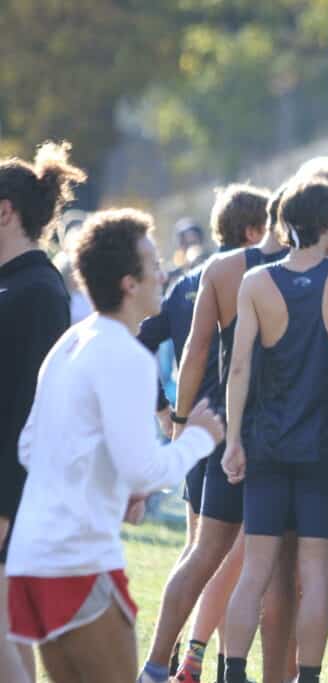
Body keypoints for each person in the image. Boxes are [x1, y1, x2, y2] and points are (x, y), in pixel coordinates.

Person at [6, 209, 224, 683]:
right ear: (129, 282)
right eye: (152, 262)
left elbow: (29, 447)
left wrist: (111, 485)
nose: (163, 272)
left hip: (30, 559)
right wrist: (199, 439)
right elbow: (145, 470)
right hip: (77, 560)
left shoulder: (71, 341)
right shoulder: (126, 354)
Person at [216, 178, 328, 683]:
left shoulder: (256, 281)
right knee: (318, 573)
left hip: (266, 445)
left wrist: (234, 440)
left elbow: (238, 369)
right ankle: (310, 676)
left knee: (255, 570)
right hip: (324, 451)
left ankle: (232, 673)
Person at [140, 187, 292, 683]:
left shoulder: (194, 278)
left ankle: (181, 660)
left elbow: (160, 348)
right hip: (244, 430)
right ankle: (205, 659)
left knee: (201, 552)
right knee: (244, 558)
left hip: (204, 430)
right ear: (256, 228)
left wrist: (173, 417)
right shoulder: (255, 274)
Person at [0, 141, 85, 683]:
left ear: (4, 211)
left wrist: (7, 505)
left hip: (11, 496)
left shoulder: (38, 291)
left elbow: (29, 411)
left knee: (8, 634)